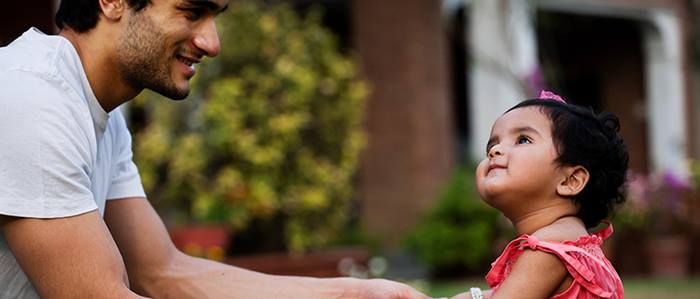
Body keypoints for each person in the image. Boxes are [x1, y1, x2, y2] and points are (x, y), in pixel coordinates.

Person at [0, 0, 431, 298]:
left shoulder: (102, 117)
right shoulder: (33, 97)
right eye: (191, 11)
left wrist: (360, 293)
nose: (212, 42)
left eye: (214, 16)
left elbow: (163, 273)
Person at [450, 91, 627, 299]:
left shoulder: (549, 247)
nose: (495, 150)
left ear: (571, 181)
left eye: (522, 140)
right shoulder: (569, 238)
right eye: (492, 144)